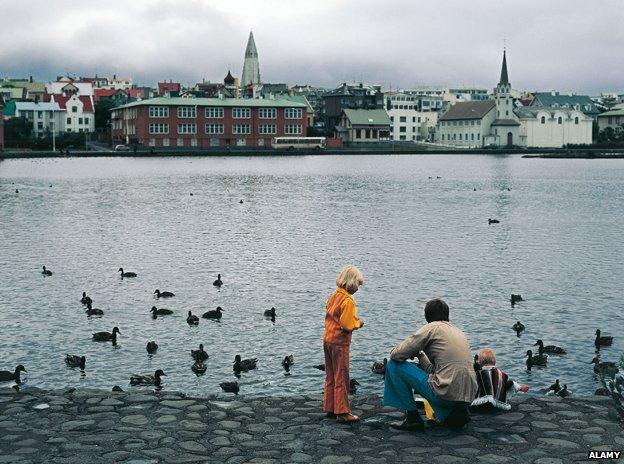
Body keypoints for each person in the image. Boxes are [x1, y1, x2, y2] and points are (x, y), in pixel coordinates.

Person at [383, 298, 477, 431]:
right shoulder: (458, 331)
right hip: (468, 397)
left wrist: (410, 352)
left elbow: (396, 355)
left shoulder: (431, 328)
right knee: (441, 378)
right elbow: (437, 370)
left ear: (427, 316)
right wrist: (421, 355)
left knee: (393, 365)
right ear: (447, 315)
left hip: (446, 395)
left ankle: (412, 418)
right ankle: (455, 412)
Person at [322, 265, 364, 423]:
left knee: (330, 375)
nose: (358, 289)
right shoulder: (348, 300)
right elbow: (347, 325)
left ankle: (330, 407)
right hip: (340, 342)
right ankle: (342, 412)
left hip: (327, 339)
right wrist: (358, 323)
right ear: (351, 283)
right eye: (357, 285)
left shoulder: (334, 295)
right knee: (342, 376)